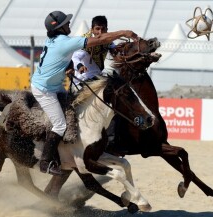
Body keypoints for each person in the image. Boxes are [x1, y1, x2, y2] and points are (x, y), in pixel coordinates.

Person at [31, 11, 138, 175]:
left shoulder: (55, 41)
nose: (69, 25)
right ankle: (45, 163)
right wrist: (124, 32)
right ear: (59, 28)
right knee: (60, 125)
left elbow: (57, 59)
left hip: (54, 86)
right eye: (66, 23)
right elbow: (99, 40)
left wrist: (68, 67)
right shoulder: (64, 42)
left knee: (72, 113)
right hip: (44, 90)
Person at [71, 15, 115, 86]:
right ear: (92, 29)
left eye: (103, 29)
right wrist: (79, 65)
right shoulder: (85, 40)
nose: (100, 32)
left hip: (99, 75)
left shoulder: (108, 40)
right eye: (97, 29)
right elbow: (75, 57)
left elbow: (115, 49)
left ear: (107, 30)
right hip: (83, 78)